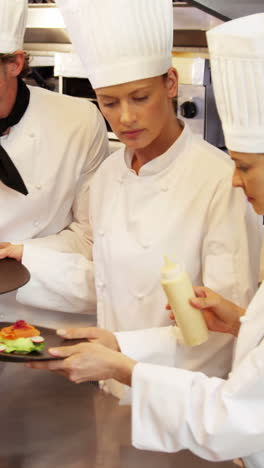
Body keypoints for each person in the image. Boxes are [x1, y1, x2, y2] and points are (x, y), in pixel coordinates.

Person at [29, 12, 264, 468]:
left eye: (140, 97)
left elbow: (222, 351)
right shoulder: (107, 177)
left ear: (171, 83)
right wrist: (27, 259)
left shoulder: (218, 180)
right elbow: (102, 273)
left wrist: (124, 357)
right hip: (116, 394)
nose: (126, 117)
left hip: (191, 412)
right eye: (109, 102)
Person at [0, 0, 109, 329]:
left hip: (45, 318)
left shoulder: (77, 122)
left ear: (15, 63)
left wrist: (17, 251)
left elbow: (91, 238)